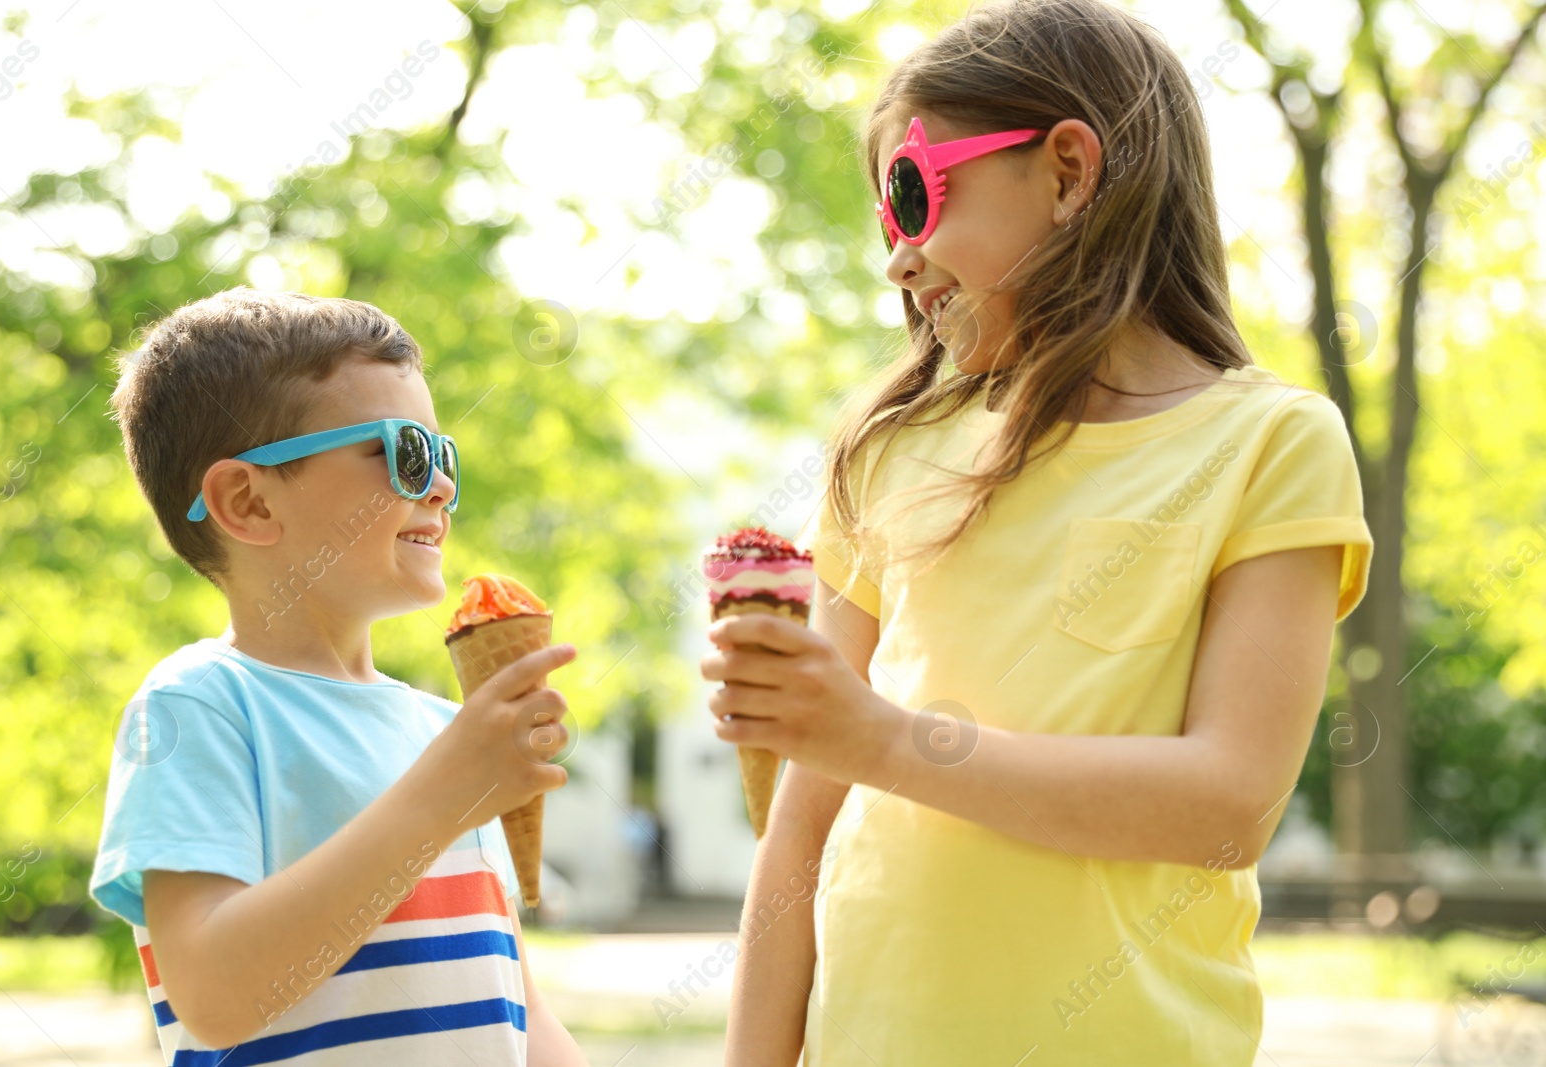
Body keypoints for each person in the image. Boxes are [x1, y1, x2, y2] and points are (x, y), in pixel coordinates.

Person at [702, 2, 1374, 1063]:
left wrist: (882, 738)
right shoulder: (884, 452)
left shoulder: (1271, 443)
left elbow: (1227, 805)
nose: (898, 263)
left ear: (1067, 172)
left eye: (915, 198)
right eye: (885, 221)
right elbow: (798, 831)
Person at [89, 288, 587, 1065]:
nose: (443, 486)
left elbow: (519, 1009)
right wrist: (445, 793)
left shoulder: (442, 732)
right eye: (404, 453)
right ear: (249, 500)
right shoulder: (198, 707)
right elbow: (216, 996)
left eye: (443, 455)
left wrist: (455, 779)